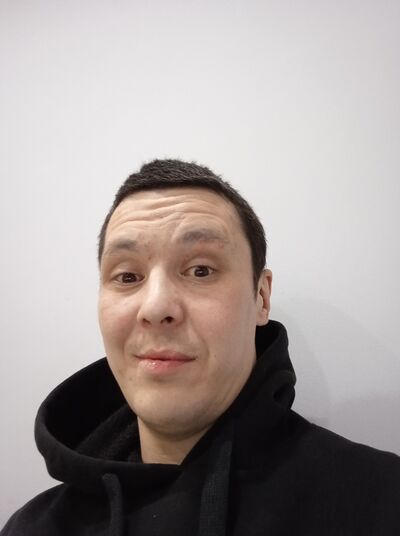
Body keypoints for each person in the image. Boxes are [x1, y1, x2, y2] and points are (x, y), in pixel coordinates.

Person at [2, 159, 399, 536]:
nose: (156, 307)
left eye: (201, 270)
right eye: (127, 276)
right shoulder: (31, 528)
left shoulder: (381, 502)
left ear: (261, 298)